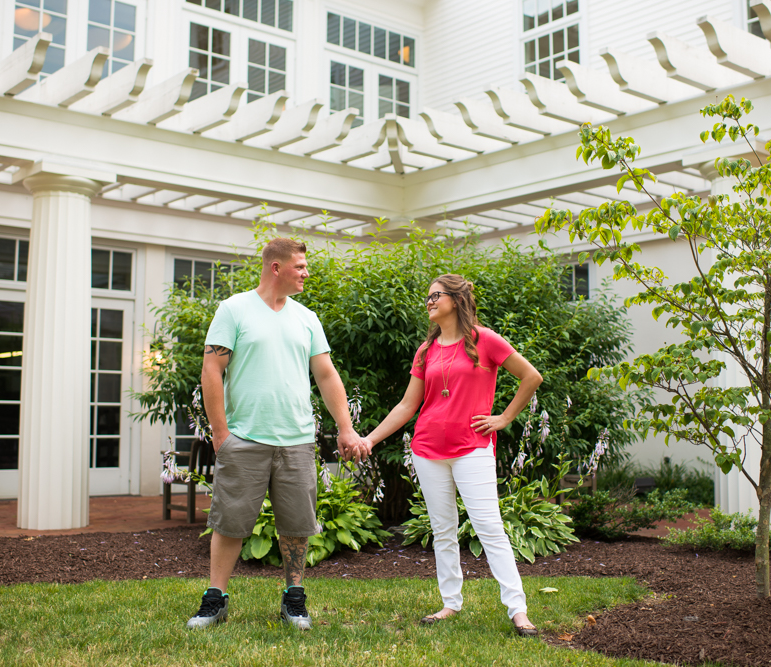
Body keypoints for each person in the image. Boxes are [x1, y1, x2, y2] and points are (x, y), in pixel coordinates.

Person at [187, 237, 367, 630]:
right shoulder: (234, 310)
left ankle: (294, 598)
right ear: (276, 267)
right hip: (245, 438)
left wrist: (346, 426)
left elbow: (326, 374)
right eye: (300, 266)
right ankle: (215, 599)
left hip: (297, 439)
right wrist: (220, 433)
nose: (306, 273)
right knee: (230, 521)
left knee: (297, 524)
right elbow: (211, 370)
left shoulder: (306, 317)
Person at [362, 274, 543, 636]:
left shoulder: (485, 339)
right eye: (427, 297)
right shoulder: (425, 350)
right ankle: (450, 603)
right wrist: (369, 439)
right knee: (443, 530)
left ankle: (518, 610)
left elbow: (531, 376)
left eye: (436, 295)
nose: (429, 301)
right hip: (428, 449)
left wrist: (504, 418)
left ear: (457, 300)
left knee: (489, 527)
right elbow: (407, 405)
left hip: (471, 448)